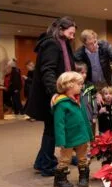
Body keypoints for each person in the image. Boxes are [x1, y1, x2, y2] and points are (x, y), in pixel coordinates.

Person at [25, 16, 76, 176]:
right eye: (71, 33)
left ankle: (42, 162)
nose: (72, 36)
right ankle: (47, 165)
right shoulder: (52, 44)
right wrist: (55, 93)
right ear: (60, 30)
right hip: (50, 95)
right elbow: (48, 71)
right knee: (52, 131)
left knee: (51, 129)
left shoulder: (62, 43)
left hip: (55, 93)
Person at [51, 71, 93, 187]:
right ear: (69, 85)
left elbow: (85, 118)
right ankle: (59, 179)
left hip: (82, 136)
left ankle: (84, 177)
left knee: (83, 157)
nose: (82, 86)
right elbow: (59, 124)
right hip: (68, 137)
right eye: (79, 84)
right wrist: (60, 140)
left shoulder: (78, 100)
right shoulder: (61, 103)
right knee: (65, 159)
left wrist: (89, 134)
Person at [74, 29, 112, 105]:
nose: (95, 45)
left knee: (111, 104)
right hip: (91, 84)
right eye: (91, 44)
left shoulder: (104, 45)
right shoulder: (79, 55)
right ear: (84, 44)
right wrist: (95, 92)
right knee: (95, 106)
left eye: (95, 41)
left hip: (106, 82)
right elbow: (82, 77)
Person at [75, 62, 98, 135]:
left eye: (85, 73)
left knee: (91, 137)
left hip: (89, 117)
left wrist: (94, 115)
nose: (84, 75)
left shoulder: (90, 86)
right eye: (82, 72)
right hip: (77, 118)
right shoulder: (72, 86)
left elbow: (94, 101)